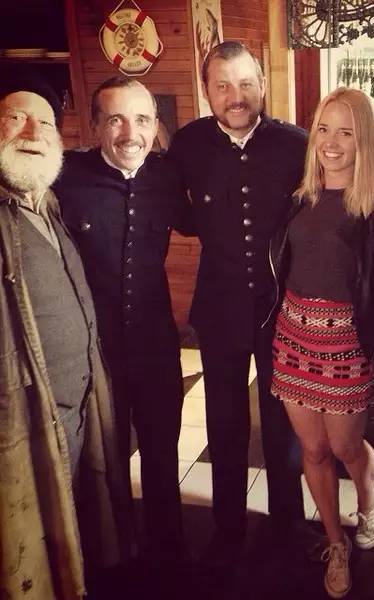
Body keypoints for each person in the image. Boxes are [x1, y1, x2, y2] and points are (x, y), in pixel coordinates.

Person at [167, 41, 306, 563]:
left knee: (282, 422)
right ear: (207, 91)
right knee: (224, 422)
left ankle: (288, 527)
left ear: (262, 85)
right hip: (219, 307)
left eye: (246, 83)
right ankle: (227, 529)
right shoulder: (188, 144)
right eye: (222, 85)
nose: (236, 95)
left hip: (281, 307)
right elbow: (177, 211)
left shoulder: (296, 144)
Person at [0, 70, 132, 599]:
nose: (32, 131)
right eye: (15, 118)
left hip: (73, 407)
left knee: (68, 519)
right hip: (21, 418)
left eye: (45, 122)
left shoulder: (49, 205)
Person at [53, 76, 189, 565]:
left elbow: (206, 219)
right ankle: (112, 553)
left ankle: (168, 551)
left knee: (161, 453)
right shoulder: (64, 178)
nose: (131, 133)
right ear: (95, 127)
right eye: (116, 119)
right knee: (103, 460)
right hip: (95, 353)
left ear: (155, 126)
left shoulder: (168, 177)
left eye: (142, 119)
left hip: (157, 346)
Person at [270, 87, 374, 599]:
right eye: (323, 129)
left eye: (346, 132)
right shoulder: (300, 197)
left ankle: (368, 501)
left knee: (344, 447)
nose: (332, 143)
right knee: (313, 450)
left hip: (345, 343)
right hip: (294, 335)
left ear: (365, 141)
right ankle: (336, 542)